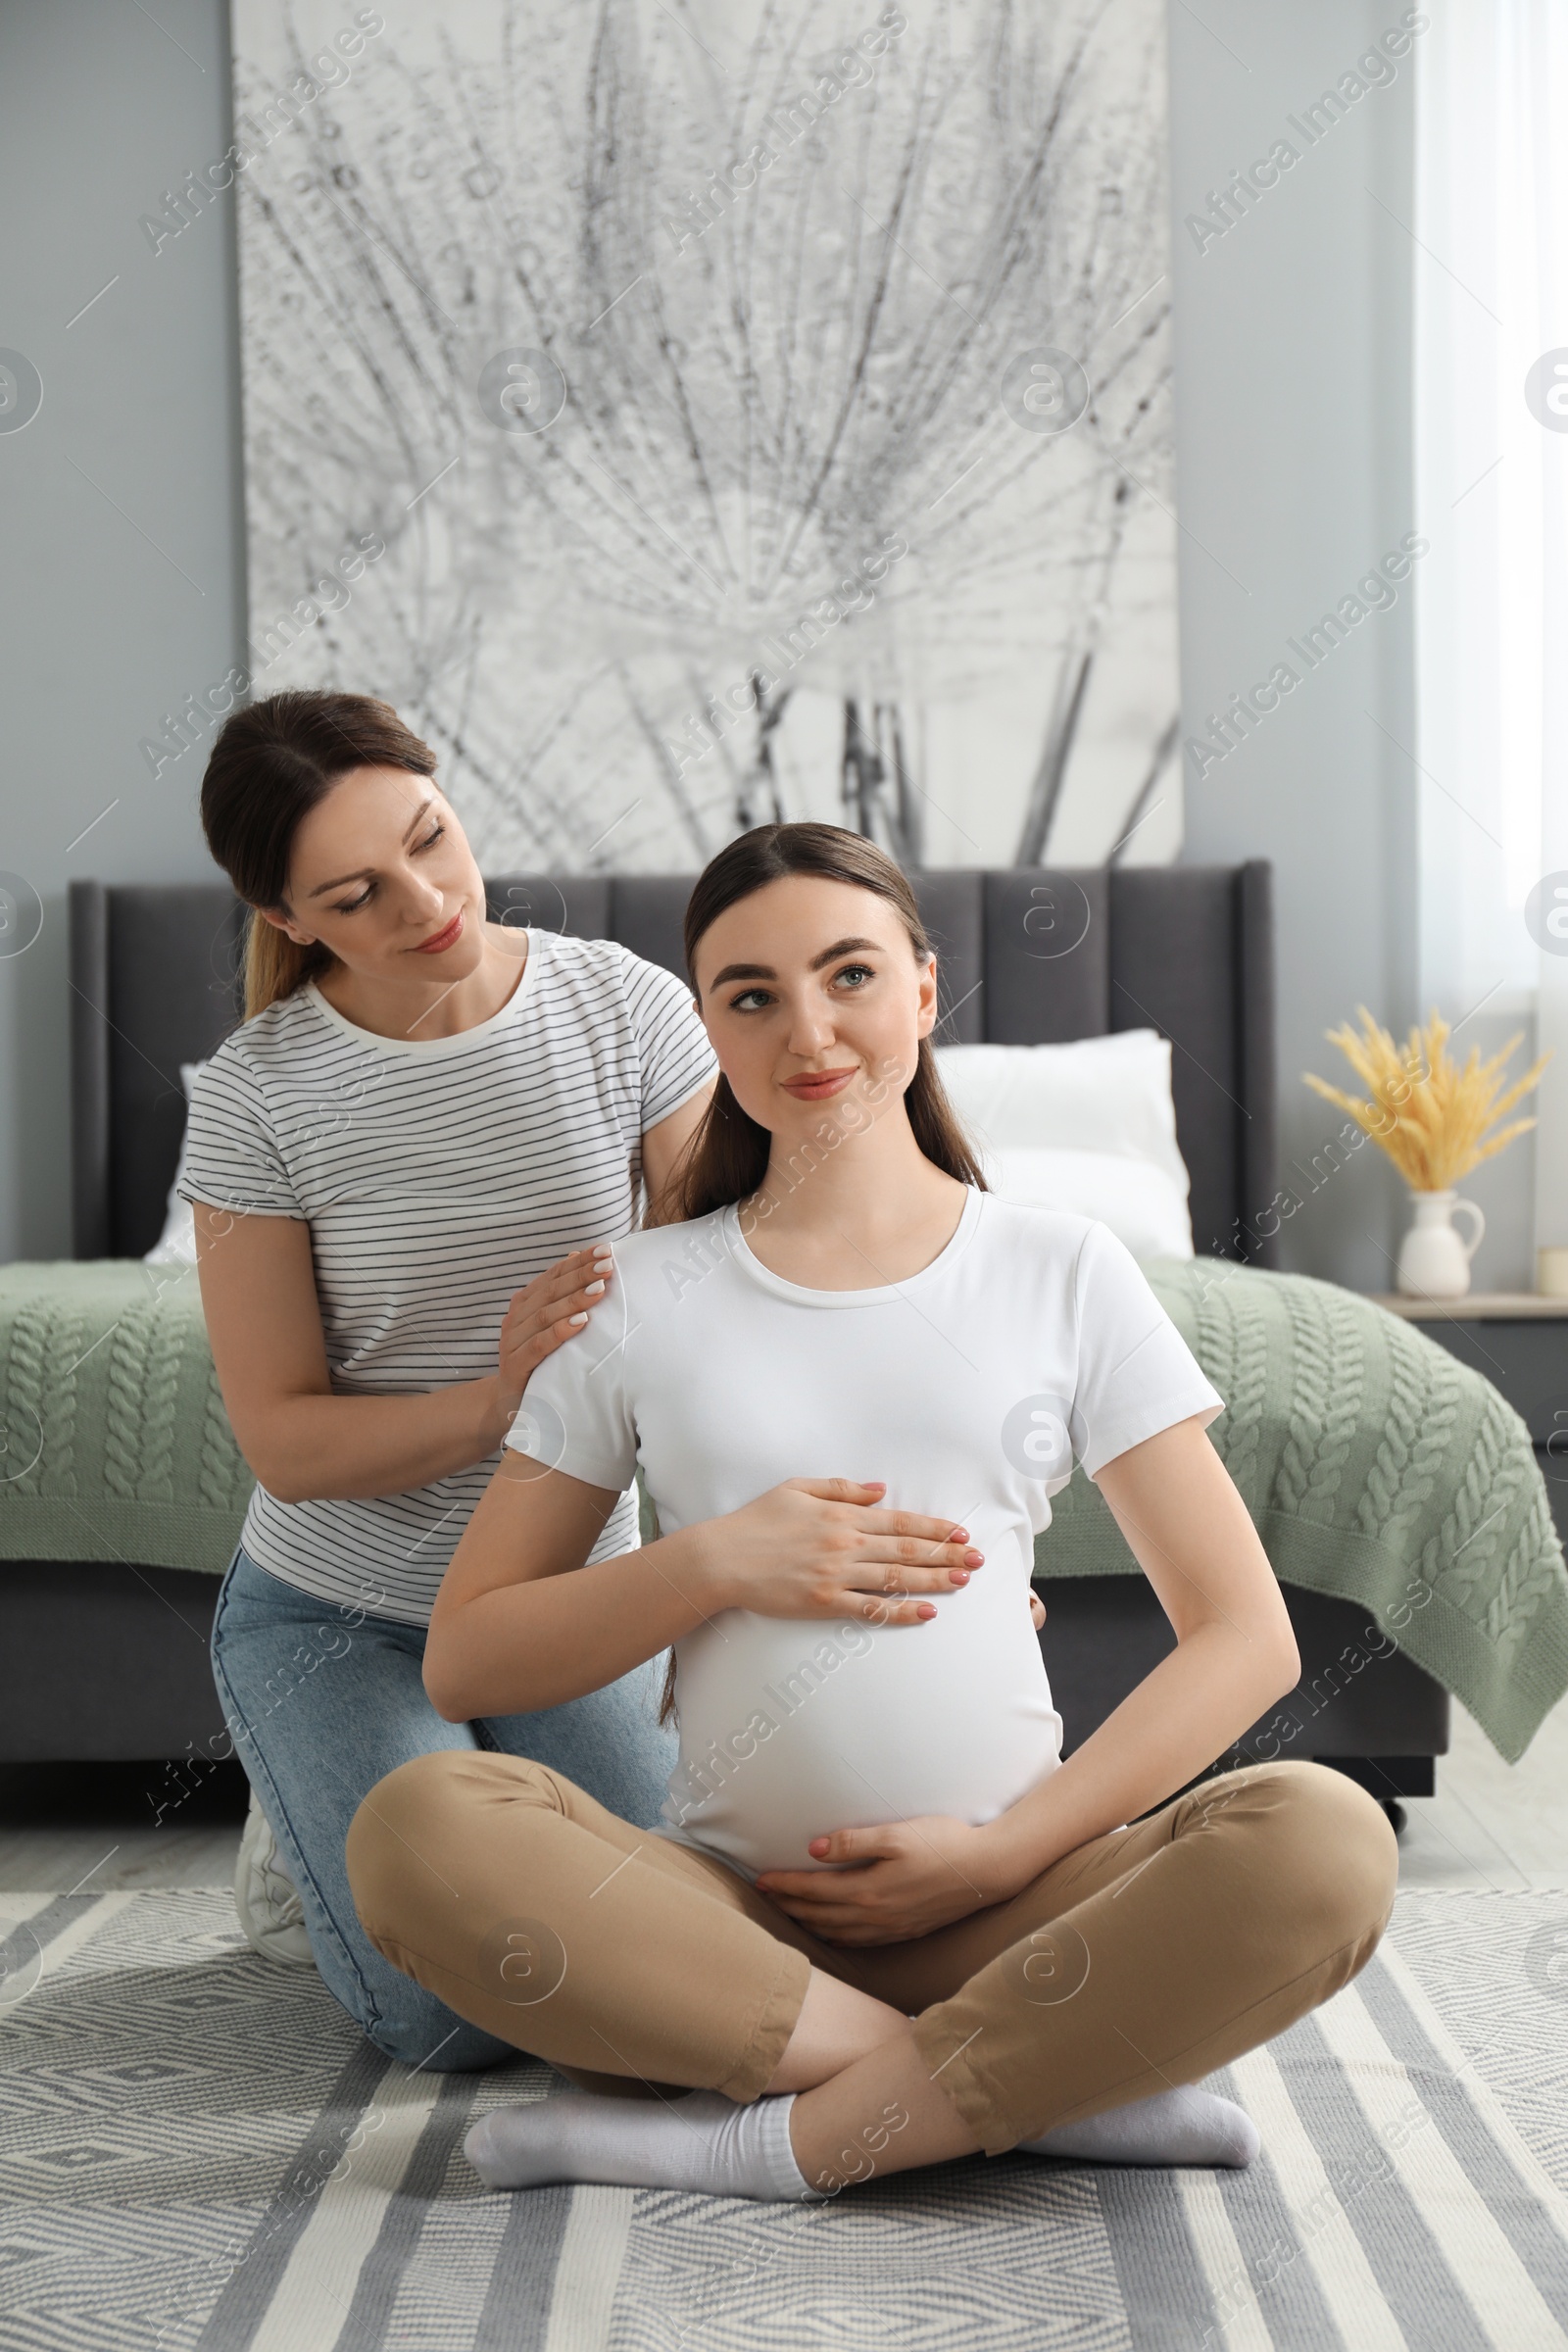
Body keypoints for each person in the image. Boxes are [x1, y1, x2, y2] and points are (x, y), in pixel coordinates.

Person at [345, 821, 1399, 2198]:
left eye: (849, 975)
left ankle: (782, 2140)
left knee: (1325, 1843)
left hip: (1021, 1910)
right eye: (751, 997)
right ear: (710, 1031)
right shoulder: (638, 1294)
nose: (810, 1033)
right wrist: (716, 1563)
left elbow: (1246, 1637)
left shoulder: (1065, 1270)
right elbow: (468, 1656)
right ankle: (1017, 2083)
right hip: (730, 1930)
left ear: (921, 984)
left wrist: (999, 1856)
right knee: (420, 1829)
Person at [185, 689, 715, 2069]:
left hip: (561, 1598)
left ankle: (434, 1774)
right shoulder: (255, 1096)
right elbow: (287, 1443)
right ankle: (312, 1833)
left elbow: (742, 1304)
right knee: (450, 2021)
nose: (428, 902)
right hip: (339, 1612)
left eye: (432, 837)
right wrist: (499, 1402)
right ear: (292, 920)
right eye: (358, 895)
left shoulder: (628, 1010)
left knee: (693, 1934)